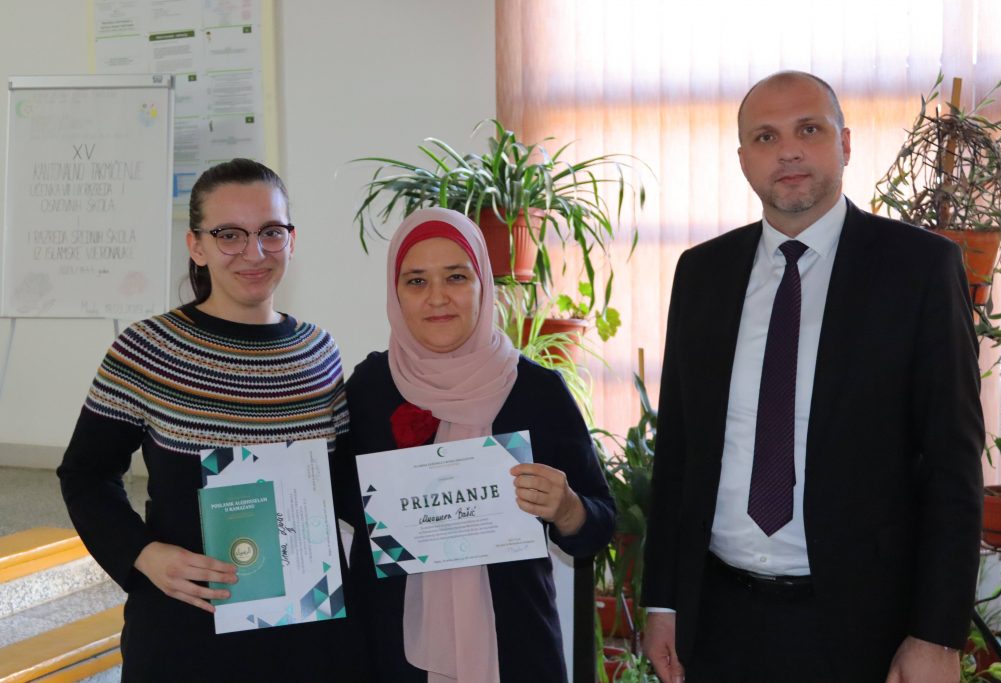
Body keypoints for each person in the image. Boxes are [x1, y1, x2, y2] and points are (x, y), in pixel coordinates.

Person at [642, 71, 984, 683]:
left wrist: (937, 634)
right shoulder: (702, 273)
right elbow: (678, 453)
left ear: (844, 144)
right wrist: (662, 602)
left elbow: (952, 464)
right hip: (718, 620)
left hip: (862, 625)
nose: (788, 151)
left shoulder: (920, 268)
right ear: (743, 159)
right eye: (765, 137)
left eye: (809, 129)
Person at [57, 158, 369, 681]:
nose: (254, 252)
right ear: (196, 246)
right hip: (188, 629)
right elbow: (85, 474)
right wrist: (142, 554)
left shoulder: (318, 351)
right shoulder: (147, 349)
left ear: (291, 240)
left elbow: (340, 483)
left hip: (311, 631)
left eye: (271, 232)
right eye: (229, 234)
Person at [344, 206, 615, 682]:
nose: (437, 298)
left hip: (514, 649)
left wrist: (568, 509)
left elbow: (599, 522)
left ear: (483, 284)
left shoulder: (537, 391)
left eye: (456, 276)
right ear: (395, 292)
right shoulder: (369, 389)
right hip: (391, 650)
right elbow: (335, 501)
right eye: (416, 281)